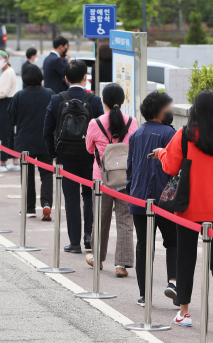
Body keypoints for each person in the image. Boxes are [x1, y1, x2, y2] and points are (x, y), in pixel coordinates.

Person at [153, 89, 213, 331]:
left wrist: (161, 153)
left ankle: (184, 313)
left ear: (195, 109)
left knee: (186, 257)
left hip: (188, 208)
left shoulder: (185, 136)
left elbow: (172, 167)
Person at [43, 60, 104, 253]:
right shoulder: (94, 100)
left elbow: (47, 131)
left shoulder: (56, 99)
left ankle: (74, 243)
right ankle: (89, 236)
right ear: (86, 78)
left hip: (65, 156)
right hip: (89, 157)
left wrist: (54, 155)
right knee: (89, 196)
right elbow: (102, 132)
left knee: (70, 198)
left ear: (66, 79)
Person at [127, 91, 178, 307]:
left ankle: (143, 293)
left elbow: (130, 168)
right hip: (165, 197)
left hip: (138, 198)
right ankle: (173, 283)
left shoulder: (135, 135)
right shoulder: (170, 134)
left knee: (143, 245)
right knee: (173, 241)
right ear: (161, 110)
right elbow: (176, 168)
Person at [84, 83, 137, 277]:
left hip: (102, 179)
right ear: (123, 101)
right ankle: (121, 265)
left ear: (103, 101)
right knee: (124, 220)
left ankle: (97, 259)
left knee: (100, 219)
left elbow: (89, 149)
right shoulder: (132, 122)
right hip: (125, 179)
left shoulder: (95, 123)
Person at [8, 65, 54, 221]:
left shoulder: (19, 96)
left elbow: (12, 118)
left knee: (27, 175)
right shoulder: (49, 94)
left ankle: (29, 208)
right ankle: (47, 203)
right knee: (46, 174)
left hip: (24, 141)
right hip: (45, 141)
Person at [0, 50, 19, 172]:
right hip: (8, 102)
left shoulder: (7, 72)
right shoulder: (7, 72)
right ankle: (14, 161)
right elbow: (2, 89)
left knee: (3, 132)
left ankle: (3, 163)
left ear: (6, 59)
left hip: (6, 102)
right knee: (10, 133)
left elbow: (3, 92)